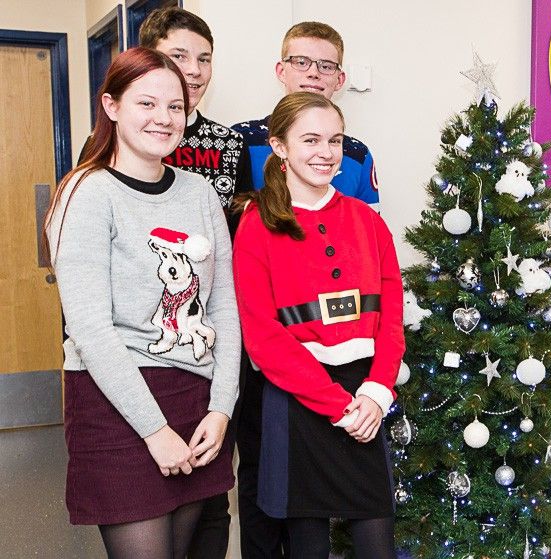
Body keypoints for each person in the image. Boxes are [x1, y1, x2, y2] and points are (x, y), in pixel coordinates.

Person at [44, 47, 239, 558]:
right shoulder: (87, 194)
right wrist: (154, 431)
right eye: (146, 103)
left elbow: (223, 308)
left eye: (175, 107)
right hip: (117, 402)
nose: (163, 119)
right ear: (111, 106)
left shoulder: (198, 192)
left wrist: (221, 408)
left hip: (195, 399)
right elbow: (90, 329)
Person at [232, 92, 402, 559]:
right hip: (297, 400)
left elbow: (391, 320)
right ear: (279, 147)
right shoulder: (256, 225)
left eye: (335, 140)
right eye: (311, 140)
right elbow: (263, 337)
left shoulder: (368, 221)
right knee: (307, 546)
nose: (326, 153)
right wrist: (337, 406)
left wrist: (375, 393)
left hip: (364, 394)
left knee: (376, 543)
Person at [136, 8, 251, 556]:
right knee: (153, 496)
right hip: (148, 340)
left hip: (211, 331)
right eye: (181, 56)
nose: (196, 70)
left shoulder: (227, 145)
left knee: (210, 495)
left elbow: (241, 236)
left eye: (205, 58)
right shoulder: (127, 142)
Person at [231, 21, 379, 210]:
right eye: (301, 62)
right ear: (281, 71)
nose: (313, 73)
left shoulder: (358, 155)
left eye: (326, 66)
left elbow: (369, 231)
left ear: (339, 80)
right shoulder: (240, 140)